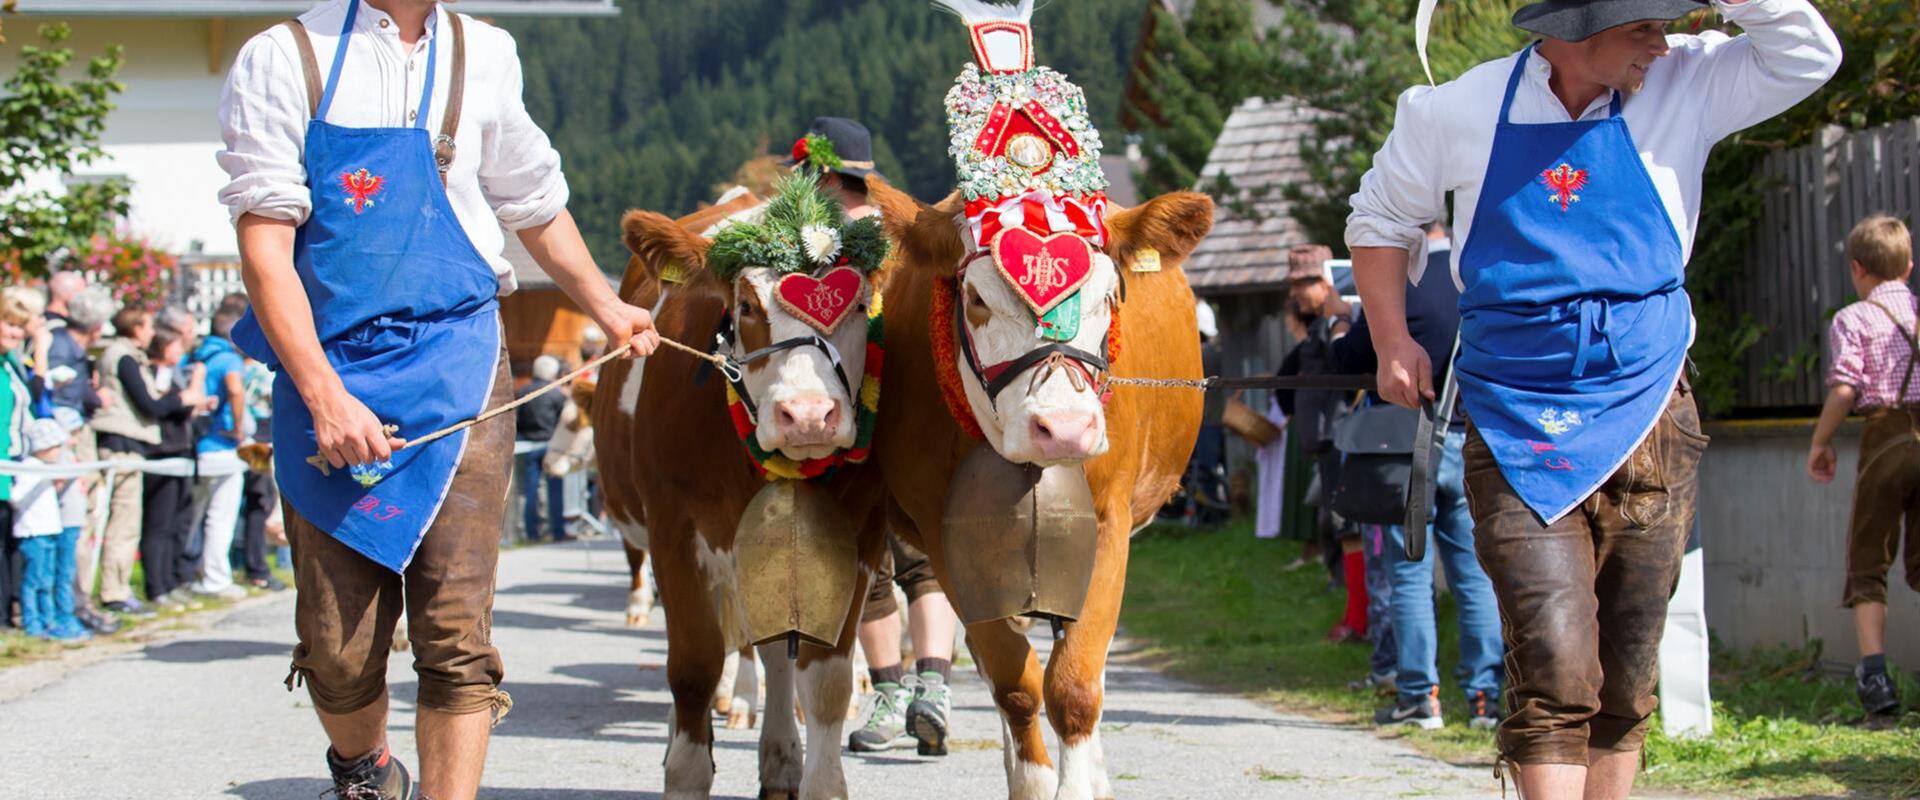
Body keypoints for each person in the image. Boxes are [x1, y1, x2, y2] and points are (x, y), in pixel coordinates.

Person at [1350, 0, 1840, 795]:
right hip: (1514, 416)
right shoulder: (1459, 108)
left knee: (1626, 666)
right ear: (1577, 28)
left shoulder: (1690, 81)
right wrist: (1390, 339)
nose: (1662, 39)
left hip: (1651, 411)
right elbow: (1381, 216)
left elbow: (1808, 57)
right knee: (1554, 662)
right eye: (1643, 23)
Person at [216, 1, 660, 796]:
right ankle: (365, 766)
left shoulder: (485, 51)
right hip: (331, 366)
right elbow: (264, 250)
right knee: (336, 649)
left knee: (457, 636)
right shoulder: (283, 55)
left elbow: (533, 199)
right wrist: (323, 395)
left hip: (460, 362)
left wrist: (605, 304)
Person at [1333, 223, 1504, 730]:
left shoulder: (1400, 282)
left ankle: (1419, 697)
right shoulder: (1484, 273)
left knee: (1408, 572)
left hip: (1409, 445)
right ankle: (1484, 699)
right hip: (1473, 438)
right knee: (1472, 575)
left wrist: (1343, 330)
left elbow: (1349, 360)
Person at [1807, 214, 1917, 719]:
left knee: (1869, 557)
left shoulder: (1853, 318)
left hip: (1884, 438)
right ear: (1909, 266)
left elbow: (1846, 387)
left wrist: (1821, 441)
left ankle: (1875, 678)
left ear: (1857, 269)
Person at [91, 306, 166, 617]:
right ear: (136, 328)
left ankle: (119, 588)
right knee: (123, 523)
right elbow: (149, 404)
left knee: (126, 522)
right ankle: (114, 592)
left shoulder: (119, 353)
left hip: (125, 444)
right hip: (120, 445)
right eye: (148, 326)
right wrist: (180, 399)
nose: (152, 333)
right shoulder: (124, 356)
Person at [140, 327, 212, 611]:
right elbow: (159, 407)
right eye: (176, 346)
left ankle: (172, 581)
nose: (181, 352)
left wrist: (197, 403)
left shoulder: (173, 373)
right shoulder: (156, 373)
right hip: (162, 454)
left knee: (178, 523)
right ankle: (156, 586)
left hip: (182, 453)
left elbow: (181, 408)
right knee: (159, 525)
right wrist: (195, 385)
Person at [187, 300, 253, 599]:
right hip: (222, 445)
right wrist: (239, 428)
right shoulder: (229, 359)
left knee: (193, 515)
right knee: (220, 516)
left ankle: (190, 573)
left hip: (195, 445)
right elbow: (236, 390)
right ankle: (216, 578)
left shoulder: (198, 354)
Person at [12, 417, 90, 641]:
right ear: (42, 448)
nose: (59, 451)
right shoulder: (30, 468)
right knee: (34, 581)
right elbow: (16, 498)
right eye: (55, 447)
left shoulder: (45, 469)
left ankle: (49, 621)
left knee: (46, 580)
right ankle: (33, 623)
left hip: (49, 531)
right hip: (33, 533)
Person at [0, 293, 37, 630]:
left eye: (20, 327)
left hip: (14, 465)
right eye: (10, 324)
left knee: (10, 545)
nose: (16, 333)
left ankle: (9, 616)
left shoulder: (11, 363)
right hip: (3, 466)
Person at [514, 355, 569, 542]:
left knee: (530, 490)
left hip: (527, 446)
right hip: (551, 446)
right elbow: (563, 422)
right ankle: (558, 531)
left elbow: (517, 420)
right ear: (553, 373)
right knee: (555, 490)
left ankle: (532, 532)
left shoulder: (523, 391)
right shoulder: (556, 394)